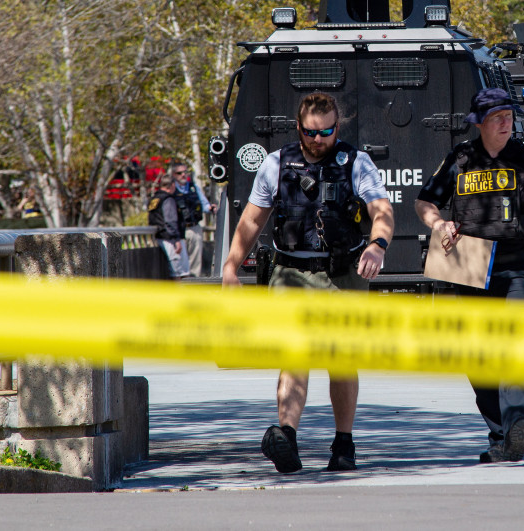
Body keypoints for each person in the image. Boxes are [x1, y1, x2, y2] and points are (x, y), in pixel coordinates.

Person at [414, 87, 524, 464]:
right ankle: (503, 436)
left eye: (508, 116)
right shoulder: (460, 159)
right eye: (497, 117)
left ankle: (517, 422)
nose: (505, 122)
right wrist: (439, 222)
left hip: (519, 265)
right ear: (479, 123)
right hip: (469, 265)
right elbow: (424, 200)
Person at [221, 92, 394, 474]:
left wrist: (378, 245)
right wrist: (231, 266)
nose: (319, 139)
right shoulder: (275, 164)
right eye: (312, 132)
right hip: (291, 273)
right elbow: (252, 221)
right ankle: (287, 438)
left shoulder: (356, 162)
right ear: (299, 127)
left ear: (337, 125)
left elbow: (381, 210)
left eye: (328, 131)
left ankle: (343, 444)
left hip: (342, 274)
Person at [170, 162, 214, 277]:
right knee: (180, 261)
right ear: (174, 175)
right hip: (179, 230)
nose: (183, 175)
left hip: (194, 227)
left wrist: (210, 208)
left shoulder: (193, 187)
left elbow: (205, 204)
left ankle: (194, 284)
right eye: (180, 173)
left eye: (185, 172)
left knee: (195, 260)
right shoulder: (171, 189)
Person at [149, 174, 190, 279]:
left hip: (160, 237)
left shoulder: (155, 199)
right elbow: (170, 221)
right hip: (170, 239)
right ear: (172, 185)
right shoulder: (168, 199)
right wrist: (176, 239)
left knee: (175, 271)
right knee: (180, 273)